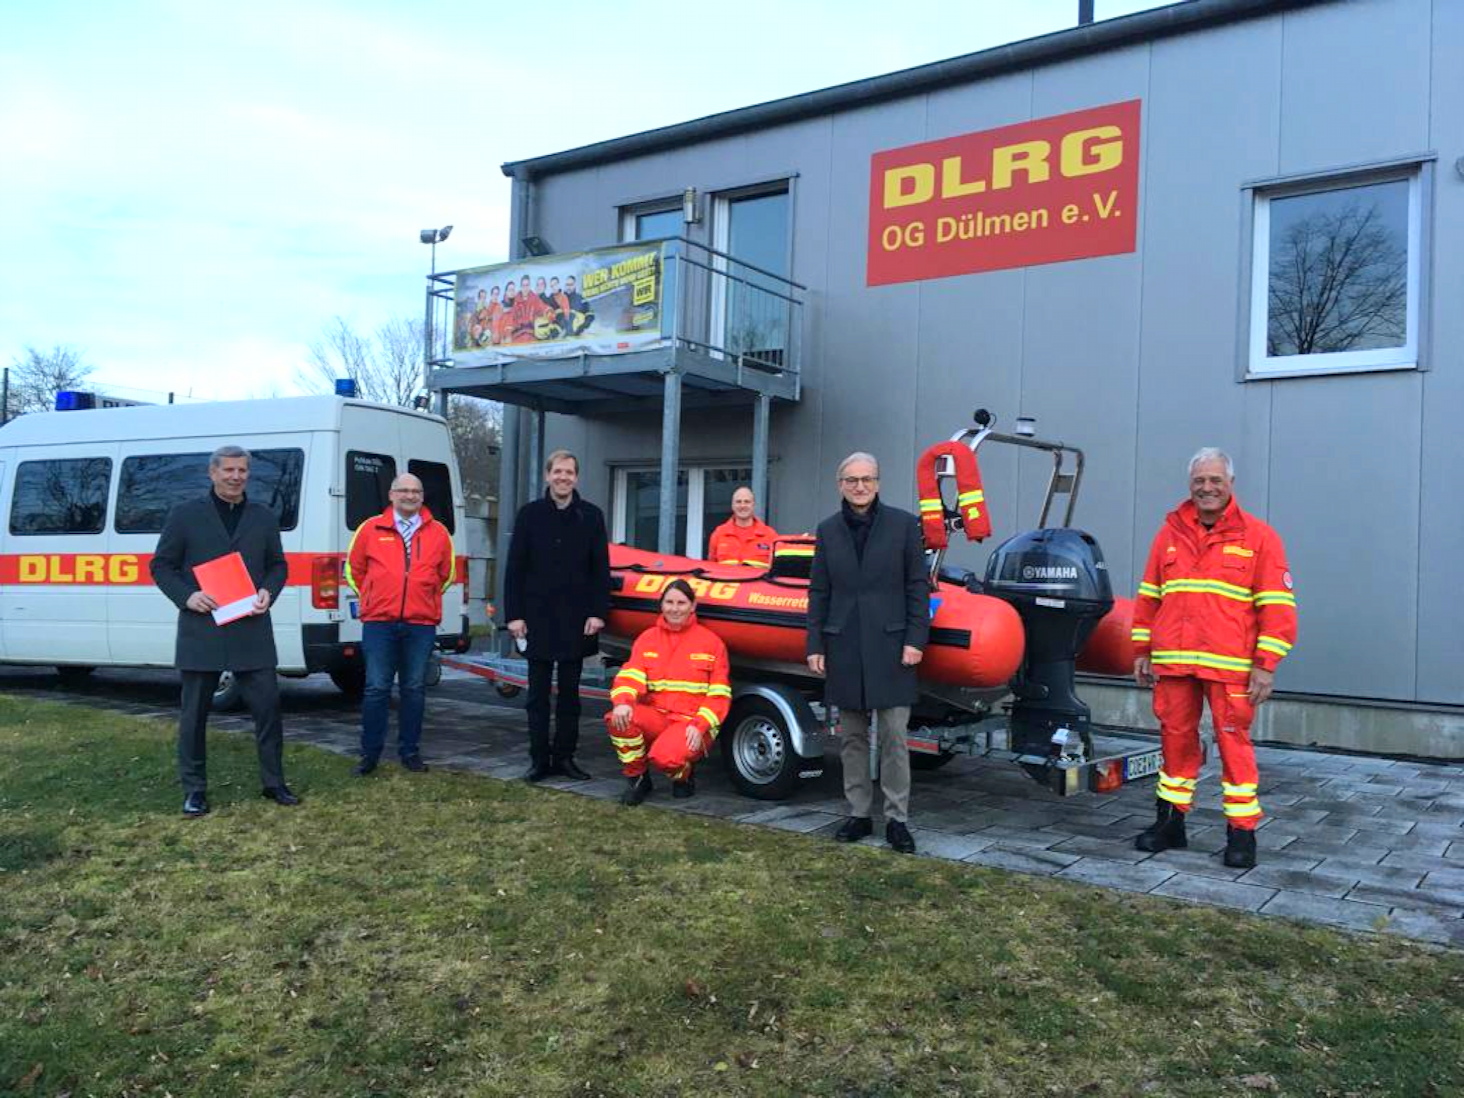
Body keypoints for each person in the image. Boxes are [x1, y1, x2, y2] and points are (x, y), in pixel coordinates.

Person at [1130, 447, 1298, 870]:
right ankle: (1170, 824)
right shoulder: (1169, 533)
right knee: (1174, 743)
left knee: (1233, 746)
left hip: (1231, 666)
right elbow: (1149, 596)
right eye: (1199, 481)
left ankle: (1241, 835)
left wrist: (1265, 665)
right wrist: (1141, 650)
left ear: (1230, 485)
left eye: (1215, 480)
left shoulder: (1259, 537)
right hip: (1173, 664)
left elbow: (1277, 607)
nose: (1207, 488)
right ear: (1191, 485)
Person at [149, 445, 299, 817]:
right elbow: (161, 566)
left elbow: (277, 566)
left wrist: (269, 590)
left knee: (268, 710)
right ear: (212, 473)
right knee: (194, 715)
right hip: (202, 630)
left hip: (252, 630)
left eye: (243, 470)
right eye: (229, 470)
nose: (236, 477)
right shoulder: (185, 515)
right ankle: (194, 790)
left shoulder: (263, 516)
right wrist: (187, 596)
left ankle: (274, 783)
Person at [806, 452, 929, 854]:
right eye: (852, 480)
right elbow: (819, 592)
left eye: (867, 479)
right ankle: (858, 813)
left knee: (894, 738)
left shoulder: (904, 525)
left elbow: (917, 587)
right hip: (844, 646)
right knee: (853, 738)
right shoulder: (827, 531)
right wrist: (815, 644)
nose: (860, 486)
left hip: (893, 647)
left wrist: (915, 640)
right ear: (840, 484)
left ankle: (897, 819)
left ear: (878, 482)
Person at [504, 449, 611, 782]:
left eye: (569, 472)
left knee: (569, 696)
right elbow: (515, 569)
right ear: (548, 475)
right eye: (558, 472)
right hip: (535, 619)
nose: (563, 477)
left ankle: (565, 757)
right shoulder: (529, 515)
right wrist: (514, 616)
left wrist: (598, 612)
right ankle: (539, 760)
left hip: (576, 620)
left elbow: (600, 569)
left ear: (576, 477)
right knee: (537, 697)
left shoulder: (591, 516)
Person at [344, 473, 456, 776]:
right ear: (391, 495)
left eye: (416, 491)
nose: (410, 495)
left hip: (421, 624)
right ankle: (369, 755)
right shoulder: (369, 529)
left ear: (422, 496)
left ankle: (410, 752)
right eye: (404, 490)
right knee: (376, 688)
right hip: (379, 622)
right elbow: (353, 570)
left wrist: (425, 597)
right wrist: (373, 596)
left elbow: (446, 574)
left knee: (414, 689)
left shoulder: (439, 532)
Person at [606, 580, 731, 805]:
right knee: (617, 719)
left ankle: (683, 774)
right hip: (658, 717)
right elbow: (629, 676)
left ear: (693, 606)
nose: (675, 608)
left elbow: (719, 694)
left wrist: (701, 724)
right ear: (661, 605)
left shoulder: (711, 643)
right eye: (669, 602)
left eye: (681, 603)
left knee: (666, 757)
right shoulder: (647, 639)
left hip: (690, 723)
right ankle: (637, 778)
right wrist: (623, 702)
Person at [706, 486, 779, 566]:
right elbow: (711, 568)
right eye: (738, 502)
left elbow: (777, 570)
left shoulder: (770, 535)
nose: (742, 506)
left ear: (753, 505)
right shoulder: (719, 534)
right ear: (732, 505)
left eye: (747, 502)